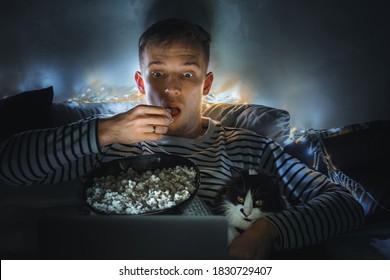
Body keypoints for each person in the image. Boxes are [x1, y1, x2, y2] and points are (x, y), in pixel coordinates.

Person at [0, 18, 364, 259]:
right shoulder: (107, 140)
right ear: (141, 83)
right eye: (157, 73)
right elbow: (8, 168)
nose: (171, 89)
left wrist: (269, 230)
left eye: (187, 75)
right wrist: (105, 131)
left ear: (206, 84)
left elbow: (345, 204)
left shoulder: (247, 147)